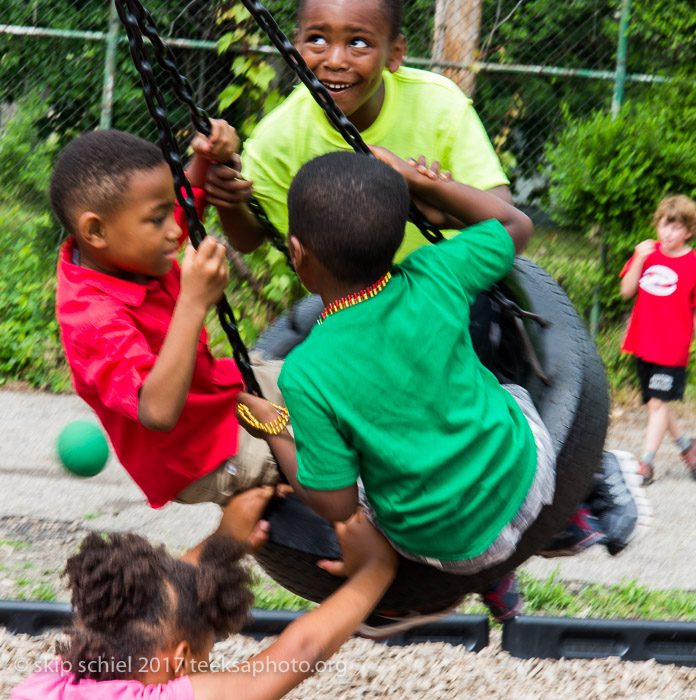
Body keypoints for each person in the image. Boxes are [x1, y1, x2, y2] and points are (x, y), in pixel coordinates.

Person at [234, 150, 652, 636]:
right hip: (531, 476)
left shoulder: (305, 372)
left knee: (355, 472)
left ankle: (405, 597)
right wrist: (426, 185)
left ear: (297, 252)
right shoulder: (437, 270)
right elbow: (515, 224)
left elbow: (335, 505)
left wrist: (273, 428)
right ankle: (577, 502)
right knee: (502, 386)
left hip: (452, 548)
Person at [49, 126, 286, 561]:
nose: (175, 231)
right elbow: (156, 411)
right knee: (317, 447)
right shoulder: (93, 319)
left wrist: (206, 159)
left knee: (325, 384)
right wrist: (194, 301)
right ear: (96, 231)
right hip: (198, 453)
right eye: (158, 219)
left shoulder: (128, 242)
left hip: (220, 397)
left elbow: (184, 198)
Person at [11, 487, 398, 700]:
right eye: (204, 660)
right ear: (180, 661)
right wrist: (375, 569)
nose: (205, 671)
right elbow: (297, 654)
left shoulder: (50, 682)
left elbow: (153, 594)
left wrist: (223, 542)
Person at [209, 0, 512, 262]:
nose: (335, 61)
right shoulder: (276, 139)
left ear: (395, 53)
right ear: (295, 47)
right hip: (349, 310)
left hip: (441, 298)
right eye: (317, 39)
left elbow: (503, 216)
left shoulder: (440, 105)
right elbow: (249, 239)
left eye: (358, 43)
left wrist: (434, 196)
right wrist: (230, 201)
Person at [619, 194, 696, 485]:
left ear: (688, 231)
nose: (667, 233)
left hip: (672, 347)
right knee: (657, 403)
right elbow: (626, 290)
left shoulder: (693, 264)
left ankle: (646, 465)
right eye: (664, 225)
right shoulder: (648, 255)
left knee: (656, 405)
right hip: (643, 342)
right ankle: (688, 448)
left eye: (676, 227)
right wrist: (638, 257)